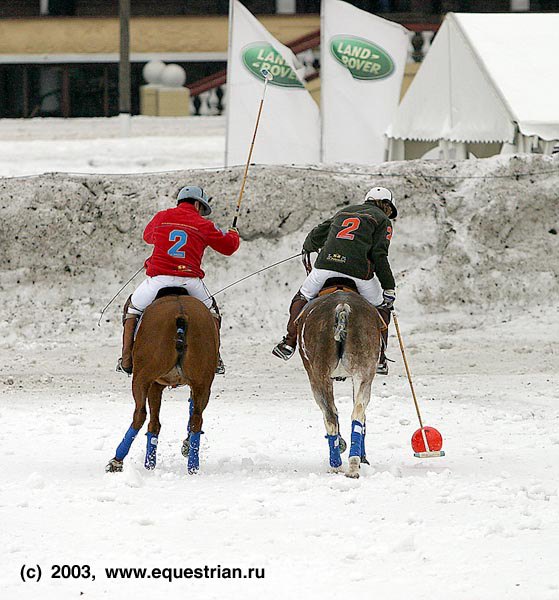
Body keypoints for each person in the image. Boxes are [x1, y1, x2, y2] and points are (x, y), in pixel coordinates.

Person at [116, 186, 240, 375]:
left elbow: (147, 237)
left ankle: (126, 360)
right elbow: (229, 247)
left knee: (132, 309)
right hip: (190, 281)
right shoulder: (204, 224)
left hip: (158, 280)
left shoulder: (161, 216)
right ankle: (215, 359)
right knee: (213, 313)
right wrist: (233, 234)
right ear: (197, 204)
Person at [272, 186, 397, 374]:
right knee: (381, 306)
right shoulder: (383, 220)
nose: (389, 213)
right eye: (389, 209)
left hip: (326, 267)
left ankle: (289, 342)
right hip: (359, 273)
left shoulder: (344, 212)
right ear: (386, 204)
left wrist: (308, 247)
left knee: (303, 295)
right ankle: (379, 356)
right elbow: (379, 255)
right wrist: (389, 288)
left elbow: (316, 235)